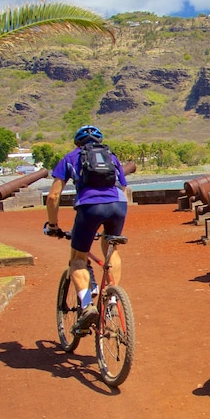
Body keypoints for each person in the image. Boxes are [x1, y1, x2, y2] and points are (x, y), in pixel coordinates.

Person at [44, 125, 129, 334]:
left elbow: (53, 196)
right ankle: (110, 299)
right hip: (118, 205)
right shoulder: (111, 156)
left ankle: (86, 306)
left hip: (89, 207)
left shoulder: (70, 158)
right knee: (111, 248)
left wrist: (53, 225)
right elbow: (124, 188)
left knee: (78, 259)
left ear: (77, 143)